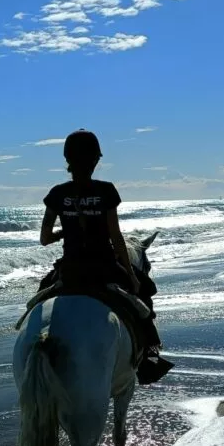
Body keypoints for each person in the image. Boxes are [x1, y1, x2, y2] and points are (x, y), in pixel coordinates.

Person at [38, 129, 171, 384]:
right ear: (96, 161)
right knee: (144, 296)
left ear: (67, 160)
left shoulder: (57, 193)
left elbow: (44, 238)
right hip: (104, 268)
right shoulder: (106, 191)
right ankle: (149, 355)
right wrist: (131, 276)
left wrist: (64, 233)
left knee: (40, 296)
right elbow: (117, 237)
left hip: (70, 271)